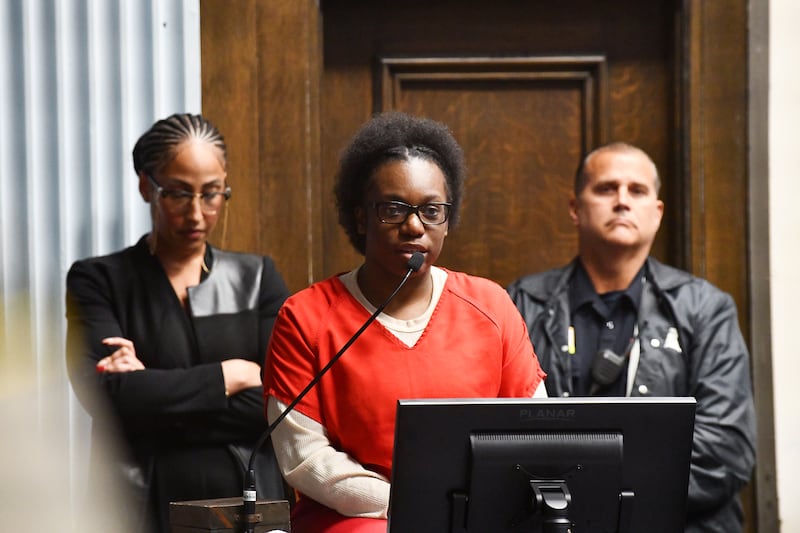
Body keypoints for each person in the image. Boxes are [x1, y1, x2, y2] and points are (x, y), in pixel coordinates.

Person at [264, 111, 547, 532]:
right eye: (394, 209)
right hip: (355, 518)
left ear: (447, 221)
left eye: (432, 210)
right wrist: (412, 505)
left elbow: (535, 430)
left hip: (477, 514)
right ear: (361, 217)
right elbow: (304, 455)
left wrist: (475, 504)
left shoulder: (491, 305)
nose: (414, 226)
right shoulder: (305, 316)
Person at [507, 142, 756, 532]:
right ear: (575, 208)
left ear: (656, 214)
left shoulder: (705, 308)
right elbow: (501, 436)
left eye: (637, 191)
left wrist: (584, 488)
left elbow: (726, 451)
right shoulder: (521, 303)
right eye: (606, 189)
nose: (622, 201)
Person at [65, 113, 290, 532]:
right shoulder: (99, 280)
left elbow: (280, 404)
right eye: (178, 194)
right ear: (146, 186)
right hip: (139, 501)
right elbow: (106, 397)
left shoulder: (258, 278)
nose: (197, 213)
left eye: (212, 194)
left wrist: (151, 388)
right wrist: (230, 375)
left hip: (246, 500)